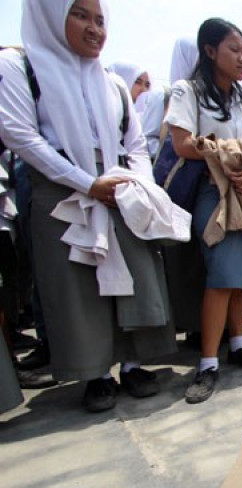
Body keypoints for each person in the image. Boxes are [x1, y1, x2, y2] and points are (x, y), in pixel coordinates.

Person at [0, 0, 176, 412]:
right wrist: (86, 183)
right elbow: (21, 135)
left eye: (100, 19)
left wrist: (137, 187)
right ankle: (97, 374)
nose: (95, 28)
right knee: (78, 283)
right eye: (80, 15)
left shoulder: (111, 82)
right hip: (61, 185)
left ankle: (133, 364)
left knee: (134, 275)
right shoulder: (22, 68)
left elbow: (133, 142)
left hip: (118, 186)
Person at [166, 18, 242, 404]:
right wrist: (229, 156)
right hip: (213, 193)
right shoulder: (189, 91)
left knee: (239, 276)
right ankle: (208, 362)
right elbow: (181, 143)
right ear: (210, 51)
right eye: (234, 50)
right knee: (222, 275)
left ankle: (239, 343)